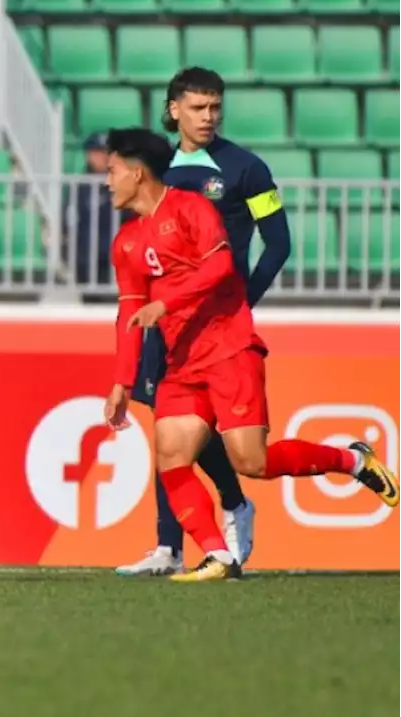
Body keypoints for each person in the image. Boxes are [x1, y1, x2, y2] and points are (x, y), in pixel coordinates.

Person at [102, 128, 397, 582]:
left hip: (228, 348)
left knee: (251, 463)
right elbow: (128, 315)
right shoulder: (125, 242)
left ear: (137, 173)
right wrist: (122, 381)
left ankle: (353, 460)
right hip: (181, 364)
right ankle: (218, 555)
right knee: (171, 458)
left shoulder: (192, 208)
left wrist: (168, 301)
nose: (106, 180)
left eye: (112, 170)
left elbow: (220, 267)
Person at [116, 67, 294, 577]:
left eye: (215, 107)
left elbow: (278, 243)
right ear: (174, 110)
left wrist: (245, 301)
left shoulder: (246, 169)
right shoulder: (152, 169)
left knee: (216, 435)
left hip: (220, 327)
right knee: (168, 432)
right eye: (198, 108)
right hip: (166, 324)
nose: (208, 117)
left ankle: (235, 504)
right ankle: (168, 547)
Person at [67, 131, 116, 286]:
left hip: (114, 259)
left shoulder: (123, 185)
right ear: (88, 155)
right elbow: (68, 219)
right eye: (96, 153)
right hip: (85, 257)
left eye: (105, 153)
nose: (101, 158)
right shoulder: (79, 186)